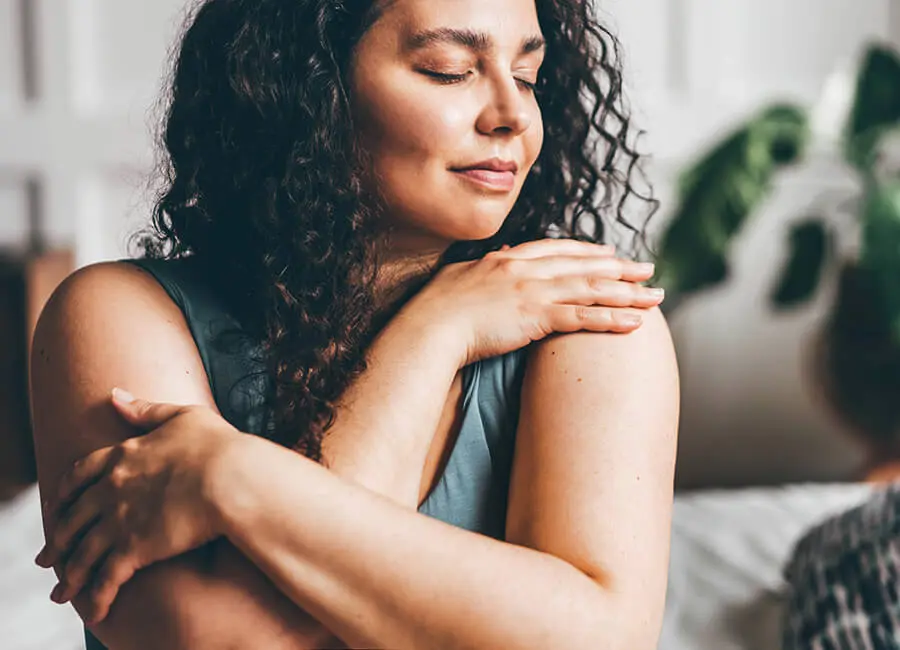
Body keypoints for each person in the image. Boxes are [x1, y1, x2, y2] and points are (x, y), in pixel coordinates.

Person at [30, 0, 680, 648]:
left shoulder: (589, 320)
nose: (512, 116)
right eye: (450, 70)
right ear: (308, 84)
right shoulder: (120, 311)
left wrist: (231, 476)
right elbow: (213, 640)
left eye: (529, 76)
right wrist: (436, 330)